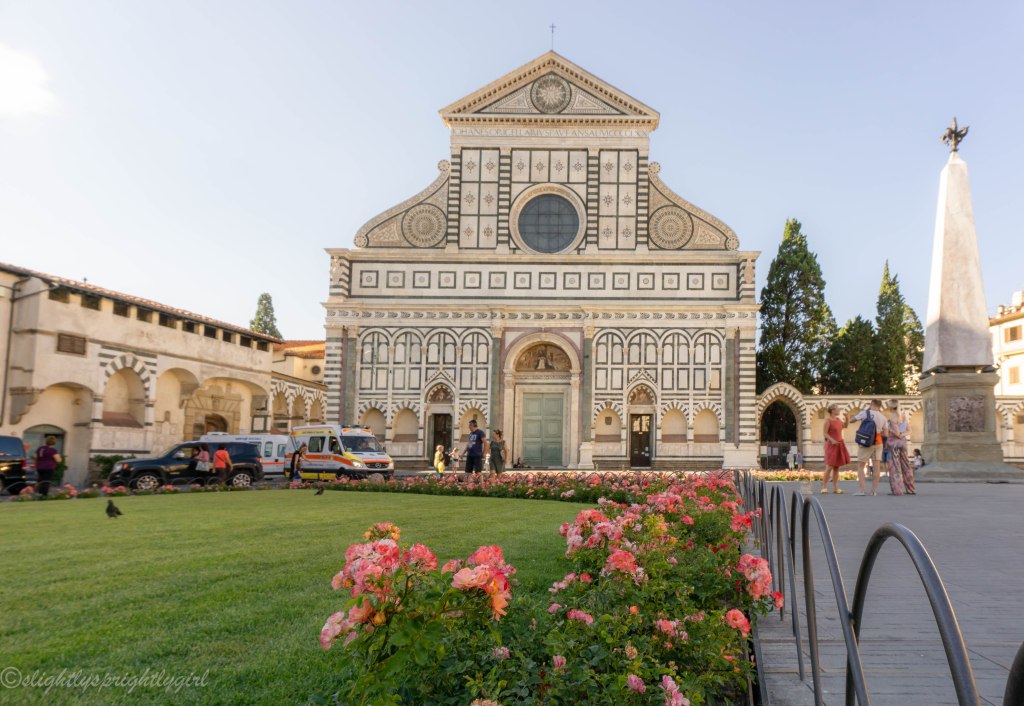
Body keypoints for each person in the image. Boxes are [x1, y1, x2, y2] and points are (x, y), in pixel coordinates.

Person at [851, 400, 887, 496]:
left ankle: (862, 490)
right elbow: (886, 434)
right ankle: (873, 491)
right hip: (878, 443)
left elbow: (851, 420)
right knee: (876, 467)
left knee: (861, 466)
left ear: (871, 405)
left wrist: (862, 413)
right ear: (879, 406)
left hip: (866, 442)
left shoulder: (865, 413)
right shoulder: (883, 417)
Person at [885, 400, 915, 495]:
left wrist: (889, 428)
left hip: (894, 444)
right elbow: (909, 431)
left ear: (891, 407)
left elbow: (897, 433)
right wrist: (902, 435)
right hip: (903, 443)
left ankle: (897, 490)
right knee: (906, 465)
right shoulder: (903, 415)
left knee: (895, 466)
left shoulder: (893, 417)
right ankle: (910, 489)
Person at [821, 404, 849, 494]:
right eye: (837, 409)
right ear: (833, 410)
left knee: (837, 467)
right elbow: (825, 433)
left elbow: (845, 426)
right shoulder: (828, 421)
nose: (839, 410)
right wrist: (832, 440)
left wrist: (847, 418)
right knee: (829, 467)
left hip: (839, 444)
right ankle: (824, 487)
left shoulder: (838, 420)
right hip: (831, 445)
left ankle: (835, 488)